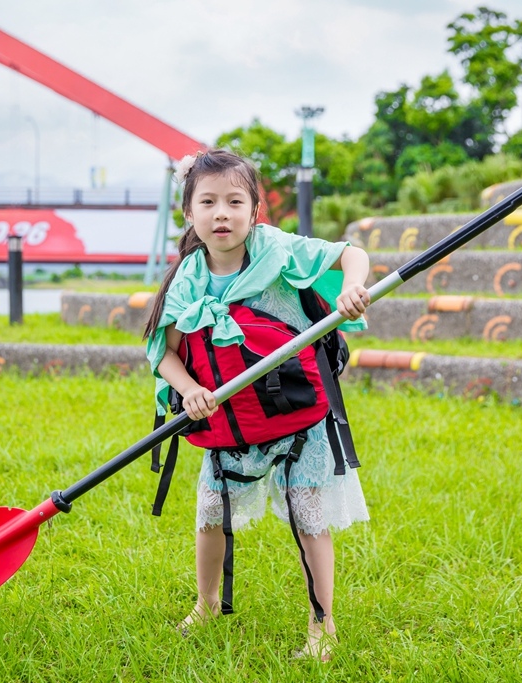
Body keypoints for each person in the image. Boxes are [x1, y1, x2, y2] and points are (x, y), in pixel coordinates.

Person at [143, 148, 371, 662]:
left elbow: (349, 254)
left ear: (255, 209)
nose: (221, 213)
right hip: (229, 418)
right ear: (189, 213)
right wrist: (189, 390)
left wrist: (353, 286)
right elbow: (167, 356)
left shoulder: (279, 250)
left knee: (308, 514)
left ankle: (322, 626)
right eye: (208, 202)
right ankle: (205, 604)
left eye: (234, 201)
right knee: (209, 512)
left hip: (294, 414)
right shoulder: (188, 277)